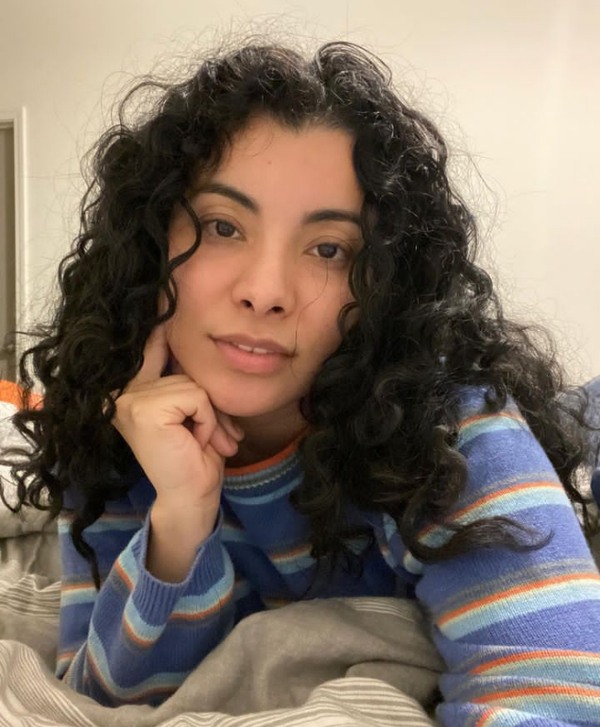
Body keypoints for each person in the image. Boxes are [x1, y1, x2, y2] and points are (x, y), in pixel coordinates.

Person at [4, 39, 600, 724]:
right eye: (222, 227)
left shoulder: (446, 430)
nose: (265, 292)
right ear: (148, 246)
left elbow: (554, 695)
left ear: (381, 284)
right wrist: (181, 519)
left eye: (328, 249)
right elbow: (99, 702)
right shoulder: (112, 432)